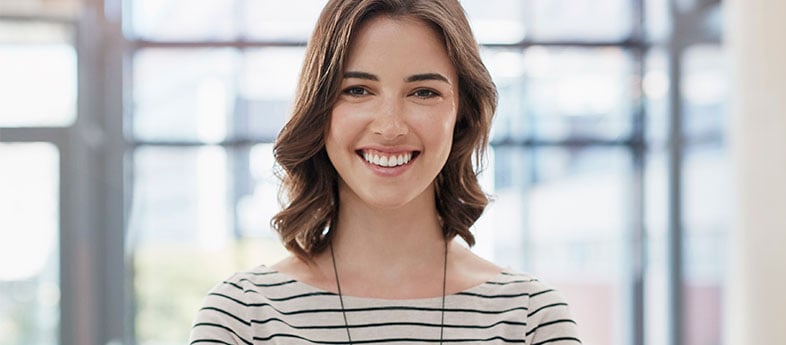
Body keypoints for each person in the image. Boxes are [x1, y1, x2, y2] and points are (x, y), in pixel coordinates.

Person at [189, 0, 580, 344]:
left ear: (462, 113)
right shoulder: (244, 318)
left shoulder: (530, 319)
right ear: (320, 109)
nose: (390, 127)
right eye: (357, 90)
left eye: (424, 92)